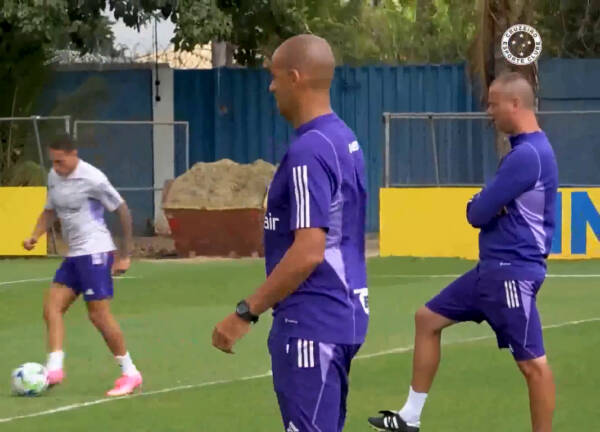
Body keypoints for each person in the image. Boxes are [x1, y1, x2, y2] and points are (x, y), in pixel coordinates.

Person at [368, 71, 558, 432]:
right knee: (427, 319)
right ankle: (410, 416)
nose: (488, 111)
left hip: (511, 272)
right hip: (492, 271)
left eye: (493, 103)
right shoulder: (528, 151)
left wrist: (485, 205)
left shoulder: (527, 155)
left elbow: (477, 212)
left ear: (515, 104)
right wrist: (487, 205)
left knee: (533, 364)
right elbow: (485, 208)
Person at [212, 34, 369, 432]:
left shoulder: (308, 151)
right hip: (341, 315)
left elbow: (309, 249)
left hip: (311, 322)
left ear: (295, 77)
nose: (271, 86)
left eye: (274, 76)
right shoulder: (344, 139)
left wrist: (245, 312)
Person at [22, 134, 142, 397]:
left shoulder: (93, 178)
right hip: (75, 255)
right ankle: (54, 368)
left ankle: (130, 373)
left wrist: (125, 254)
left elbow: (122, 210)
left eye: (61, 161)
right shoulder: (54, 177)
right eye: (53, 162)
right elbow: (50, 211)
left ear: (74, 154)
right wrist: (35, 235)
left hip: (95, 252)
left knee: (98, 315)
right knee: (51, 306)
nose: (56, 167)